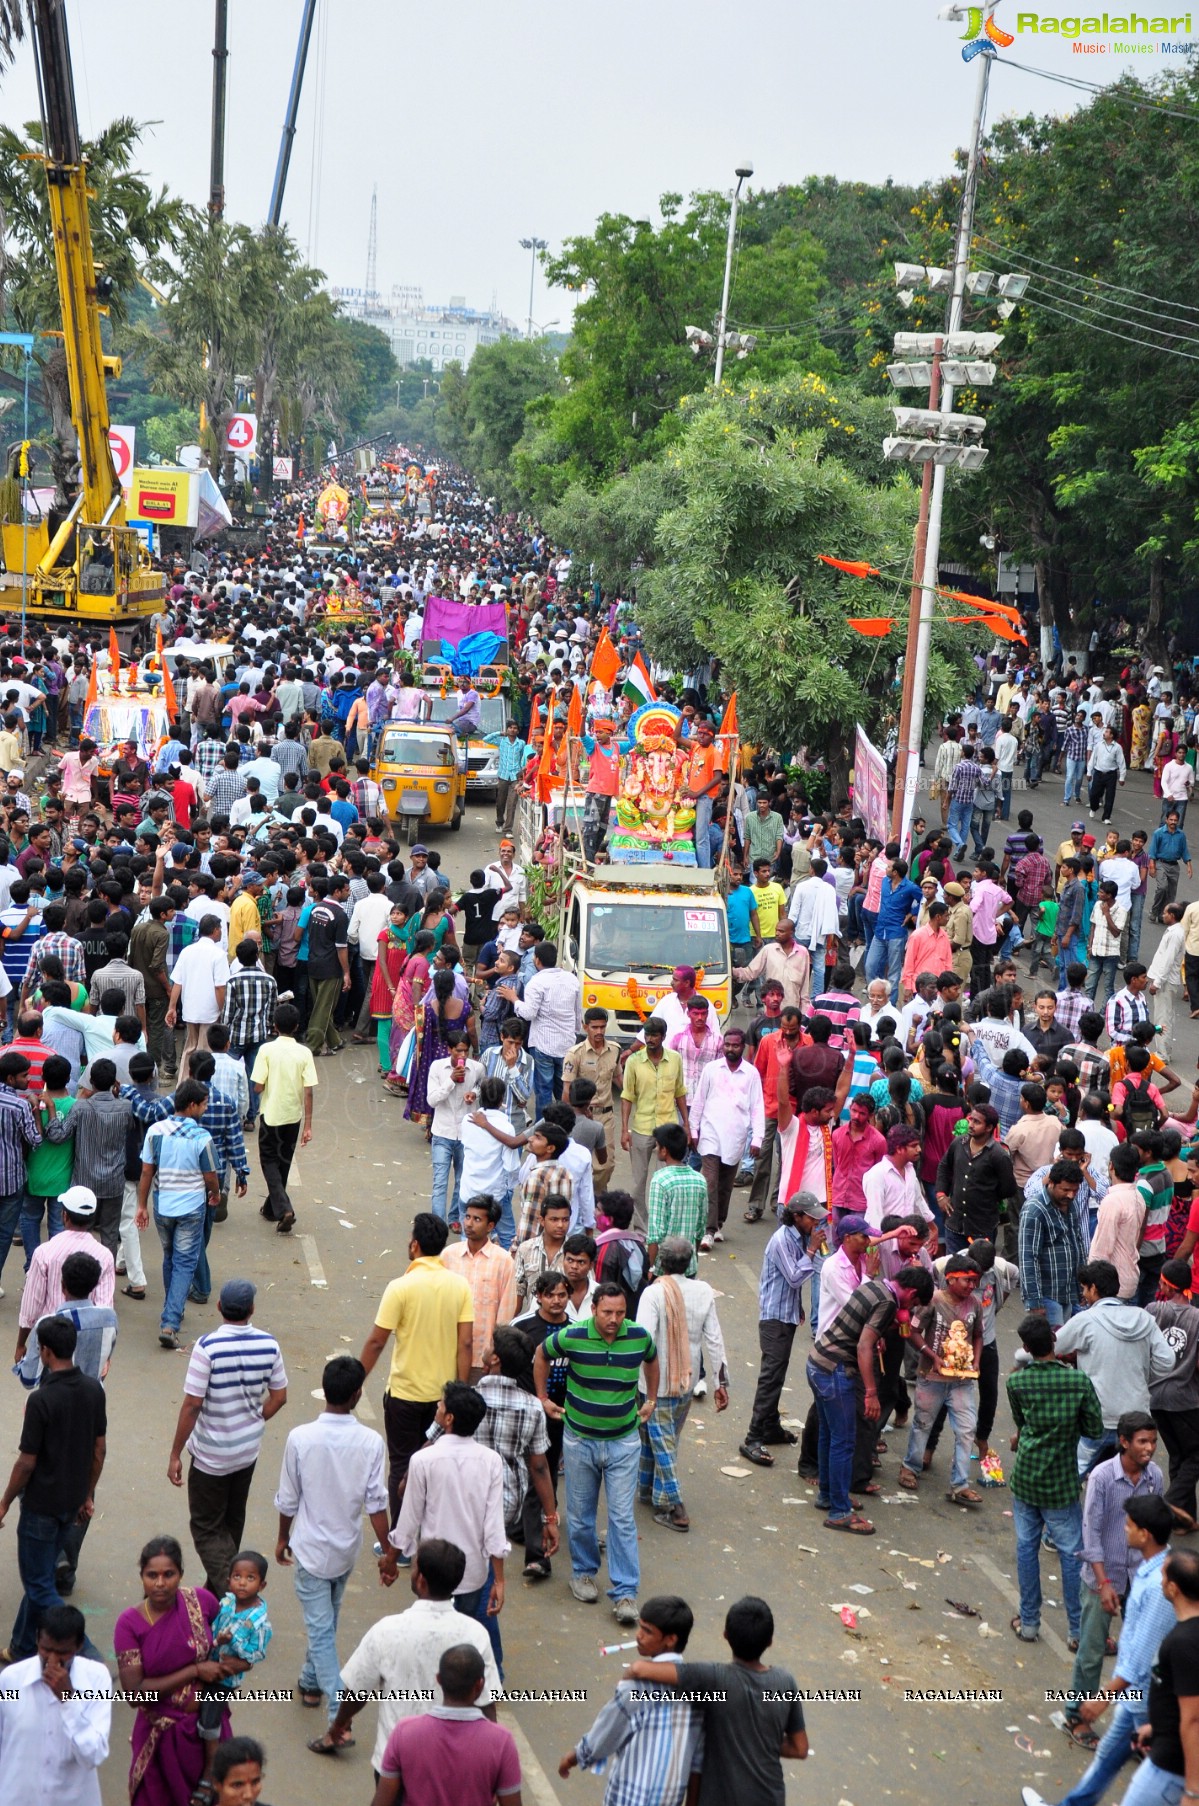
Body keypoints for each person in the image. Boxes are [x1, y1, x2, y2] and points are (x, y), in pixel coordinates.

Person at [1020, 1493, 1177, 1806]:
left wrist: (1103, 1697)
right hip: (1140, 1700)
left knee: (1151, 1784)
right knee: (1107, 1760)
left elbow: (1144, 1656)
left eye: (1129, 1526)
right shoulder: (1154, 1569)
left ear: (1145, 1534)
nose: (1124, 1531)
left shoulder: (1159, 1586)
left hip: (1146, 1701)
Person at [273, 1355, 390, 1739]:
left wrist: (282, 1537)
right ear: (358, 1394)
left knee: (323, 1629)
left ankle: (337, 1711)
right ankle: (311, 1683)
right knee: (326, 1623)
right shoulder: (371, 1442)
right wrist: (388, 1551)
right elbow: (376, 1505)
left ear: (325, 1391)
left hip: (309, 1547)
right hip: (346, 1549)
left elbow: (288, 1499)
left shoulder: (301, 1438)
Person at [312, 1537, 501, 1764]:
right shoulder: (476, 1634)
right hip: (454, 1763)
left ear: (420, 1580)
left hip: (396, 1760)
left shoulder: (387, 1630)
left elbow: (357, 1690)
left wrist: (338, 1727)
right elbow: (488, 1701)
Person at [535, 1281, 659, 1625]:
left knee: (621, 1518)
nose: (614, 1319)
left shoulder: (638, 1336)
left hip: (623, 1442)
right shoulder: (572, 1337)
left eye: (620, 1313)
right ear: (593, 1310)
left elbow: (652, 1359)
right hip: (579, 1441)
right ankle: (583, 1572)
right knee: (580, 1513)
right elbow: (542, 1355)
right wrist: (544, 1398)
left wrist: (650, 1400)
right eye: (607, 1312)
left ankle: (625, 1593)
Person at [623, 1594, 808, 1806]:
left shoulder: (713, 1678)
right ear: (770, 1641)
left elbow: (640, 1668)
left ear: (726, 1635)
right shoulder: (785, 1682)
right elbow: (799, 1749)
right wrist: (760, 1741)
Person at [167, 1278, 287, 1599]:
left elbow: (192, 1404)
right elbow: (279, 1396)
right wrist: (255, 1419)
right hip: (247, 1452)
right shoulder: (269, 1344)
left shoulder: (207, 1348)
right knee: (231, 1524)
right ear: (251, 1309)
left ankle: (236, 1597)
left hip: (211, 1456)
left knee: (206, 1528)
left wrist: (176, 1453)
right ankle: (215, 1594)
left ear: (219, 1308)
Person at [0, 1315, 107, 1665]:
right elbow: (99, 1450)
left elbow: (26, 1462)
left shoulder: (42, 1399)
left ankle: (88, 1654)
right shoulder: (93, 1389)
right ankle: (20, 1647)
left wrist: (3, 1503)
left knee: (40, 1585)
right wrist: (88, 1494)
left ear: (45, 1352)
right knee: (41, 1576)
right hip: (72, 1502)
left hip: (41, 1507)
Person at [359, 1213, 473, 1521]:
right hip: (443, 1399)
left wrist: (356, 1383)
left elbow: (376, 1343)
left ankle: (400, 1540)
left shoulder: (400, 1287)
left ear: (415, 1246)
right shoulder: (460, 1287)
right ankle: (432, 1536)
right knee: (438, 1466)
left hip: (404, 1396)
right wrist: (460, 1390)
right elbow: (465, 1344)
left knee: (401, 1466)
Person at [806, 1264, 935, 1536]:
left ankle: (828, 1495)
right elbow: (864, 1346)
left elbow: (862, 1331)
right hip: (835, 1370)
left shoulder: (873, 1285)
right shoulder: (888, 1302)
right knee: (843, 1441)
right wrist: (871, 1392)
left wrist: (877, 1337)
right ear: (911, 1292)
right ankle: (840, 1512)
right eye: (914, 1302)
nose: (910, 1309)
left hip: (817, 1362)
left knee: (829, 1436)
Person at [114, 1534, 234, 1806]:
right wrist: (194, 1671)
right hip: (162, 1740)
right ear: (141, 1576)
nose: (160, 1583)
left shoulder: (201, 1601)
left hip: (209, 1729)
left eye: (169, 1574)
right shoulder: (129, 1624)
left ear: (181, 1574)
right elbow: (135, 1695)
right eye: (151, 1575)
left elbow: (228, 1645)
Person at [1007, 1312, 1105, 1645]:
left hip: (1026, 1477)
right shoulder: (1078, 1381)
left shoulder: (1017, 1382)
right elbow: (1093, 1429)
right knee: (1070, 1553)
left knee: (1026, 1548)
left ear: (1025, 1348)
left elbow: (1021, 1424)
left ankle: (1030, 1622)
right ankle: (1077, 1630)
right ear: (1054, 1341)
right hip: (1061, 1479)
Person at [382, 1382, 508, 1636]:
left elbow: (408, 1520)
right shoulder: (491, 1461)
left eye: (440, 1404)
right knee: (461, 1637)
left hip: (432, 1570)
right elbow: (494, 1527)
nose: (437, 1407)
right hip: (473, 1573)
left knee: (431, 1637)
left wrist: (390, 1561)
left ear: (448, 1418)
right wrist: (499, 1580)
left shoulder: (423, 1460)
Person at [559, 1593, 703, 1806]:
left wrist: (573, 1757)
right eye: (640, 1627)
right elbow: (697, 1756)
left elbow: (605, 1734)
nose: (638, 1636)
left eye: (647, 1631)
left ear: (670, 1639)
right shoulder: (700, 1690)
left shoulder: (635, 1689)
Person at [635, 1236, 729, 1531]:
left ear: (660, 1261)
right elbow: (714, 1338)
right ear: (690, 1263)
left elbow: (643, 1340)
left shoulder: (653, 1294)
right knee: (663, 1439)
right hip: (687, 1381)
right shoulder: (702, 1291)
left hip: (655, 1385)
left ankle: (676, 1508)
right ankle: (648, 1490)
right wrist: (720, 1381)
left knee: (660, 1442)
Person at [1054, 1263, 1175, 1475]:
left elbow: (1048, 1346)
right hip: (1136, 1417)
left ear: (1093, 1288)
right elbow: (1167, 1362)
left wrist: (1020, 1357)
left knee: (1070, 1477)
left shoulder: (1086, 1320)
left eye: (1084, 1288)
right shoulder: (1143, 1318)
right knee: (1131, 1479)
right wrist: (1142, 1374)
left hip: (1098, 1417)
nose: (1083, 1294)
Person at [369, 1643, 521, 1806]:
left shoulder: (404, 1732)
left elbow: (382, 1802)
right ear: (480, 1685)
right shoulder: (501, 1741)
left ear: (439, 1679)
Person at [740, 1195, 827, 1468]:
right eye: (811, 1217)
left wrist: (798, 1306)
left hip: (787, 1313)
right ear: (797, 1216)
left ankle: (771, 1425)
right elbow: (794, 1276)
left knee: (778, 1373)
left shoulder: (799, 1236)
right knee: (771, 1377)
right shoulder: (782, 1240)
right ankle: (753, 1437)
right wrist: (813, 1249)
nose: (816, 1221)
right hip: (774, 1318)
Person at [135, 1078, 220, 1350]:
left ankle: (173, 1307)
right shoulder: (201, 1137)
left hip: (163, 1205)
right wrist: (215, 1194)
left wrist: (141, 1205)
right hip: (192, 1207)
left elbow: (147, 1172)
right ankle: (170, 1322)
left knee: (170, 1256)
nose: (206, 1109)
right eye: (204, 1104)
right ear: (192, 1105)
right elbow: (210, 1176)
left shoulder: (156, 1131)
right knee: (185, 1262)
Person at [0, 1603, 111, 1806]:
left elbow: (93, 1755)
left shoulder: (96, 1680)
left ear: (78, 1647)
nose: (52, 1660)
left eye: (62, 1653)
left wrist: (68, 1700)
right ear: (37, 1641)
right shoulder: (11, 1681)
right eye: (46, 1650)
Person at [896, 1254, 985, 1507]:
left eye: (974, 1281)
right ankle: (909, 1468)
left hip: (961, 1379)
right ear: (951, 1278)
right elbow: (912, 1331)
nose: (971, 1286)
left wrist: (976, 1361)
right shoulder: (932, 1301)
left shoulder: (975, 1305)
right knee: (923, 1423)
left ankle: (960, 1484)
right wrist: (932, 1356)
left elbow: (978, 1335)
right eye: (967, 1280)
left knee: (967, 1429)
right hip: (932, 1376)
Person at [690, 1027, 763, 1249]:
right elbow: (699, 1100)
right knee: (710, 1182)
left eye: (735, 1045)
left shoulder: (751, 1074)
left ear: (743, 1047)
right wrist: (693, 1130)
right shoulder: (711, 1069)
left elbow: (757, 1108)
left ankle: (718, 1224)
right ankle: (708, 1231)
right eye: (727, 1045)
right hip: (710, 1134)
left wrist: (757, 1138)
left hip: (735, 1139)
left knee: (724, 1187)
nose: (730, 1049)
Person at [249, 1002, 316, 1235]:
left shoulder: (266, 1050)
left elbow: (257, 1087)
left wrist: (266, 1083)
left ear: (274, 1026)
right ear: (296, 1026)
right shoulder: (304, 1052)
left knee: (269, 1161)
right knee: (283, 1162)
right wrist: (308, 1125)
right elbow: (308, 1090)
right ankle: (271, 1208)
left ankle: (284, 1208)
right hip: (293, 1116)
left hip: (271, 1114)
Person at [499, 941, 582, 1115]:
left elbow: (528, 1013)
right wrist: (573, 1035)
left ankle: (543, 1131)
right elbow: (577, 1013)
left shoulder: (536, 982)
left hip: (543, 1045)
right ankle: (564, 1129)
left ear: (536, 960)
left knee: (543, 1092)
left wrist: (514, 998)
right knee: (564, 1090)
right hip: (567, 1045)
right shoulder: (572, 979)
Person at [441, 1193, 518, 1375]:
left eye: (477, 1219)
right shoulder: (448, 1256)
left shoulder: (504, 1261)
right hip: (447, 1354)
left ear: (490, 1225)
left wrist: (493, 1353)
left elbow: (505, 1314)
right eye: (467, 1217)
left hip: (481, 1359)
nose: (468, 1223)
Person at [620, 1018, 688, 1217]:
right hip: (641, 1128)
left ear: (663, 1037)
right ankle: (642, 1228)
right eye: (647, 1035)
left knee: (667, 1180)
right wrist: (625, 1130)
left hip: (668, 1129)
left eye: (654, 1035)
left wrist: (687, 1126)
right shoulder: (633, 1061)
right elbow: (627, 1096)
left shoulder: (675, 1059)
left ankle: (663, 1223)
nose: (650, 1039)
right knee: (638, 1182)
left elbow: (680, 1092)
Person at [1019, 1160, 1087, 1326]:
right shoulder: (1034, 1210)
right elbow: (1028, 1258)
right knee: (1052, 1349)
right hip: (1047, 1296)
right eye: (1065, 1190)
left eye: (1075, 1190)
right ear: (1051, 1183)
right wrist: (1035, 1302)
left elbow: (1078, 1245)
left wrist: (1083, 1285)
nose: (1071, 1195)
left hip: (1069, 1292)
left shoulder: (1072, 1205)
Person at [166, 915, 229, 1078]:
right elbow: (220, 987)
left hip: (190, 1009)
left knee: (189, 1049)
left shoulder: (187, 951)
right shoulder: (219, 954)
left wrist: (172, 1007)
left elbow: (177, 983)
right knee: (205, 1051)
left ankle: (183, 1084)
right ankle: (201, 1088)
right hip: (210, 1010)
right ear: (215, 930)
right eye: (220, 929)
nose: (221, 932)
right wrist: (223, 1010)